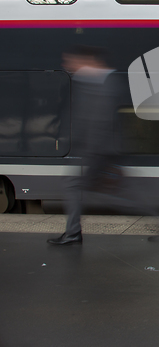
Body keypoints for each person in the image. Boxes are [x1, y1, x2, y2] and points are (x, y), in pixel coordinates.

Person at [48, 45, 120, 245]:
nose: (66, 65)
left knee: (78, 186)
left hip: (100, 152)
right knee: (104, 191)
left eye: (70, 60)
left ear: (87, 60)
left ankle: (73, 233)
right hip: (96, 151)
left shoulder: (103, 82)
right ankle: (72, 232)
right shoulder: (89, 80)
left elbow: (99, 122)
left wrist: (89, 152)